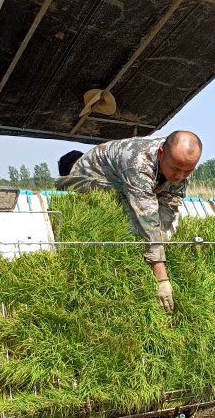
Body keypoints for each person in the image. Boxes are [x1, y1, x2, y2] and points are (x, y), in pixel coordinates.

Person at [55, 131, 202, 312]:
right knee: (128, 216)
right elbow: (147, 219)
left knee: (152, 234)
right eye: (175, 169)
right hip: (85, 179)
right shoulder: (138, 162)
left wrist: (161, 241)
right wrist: (162, 279)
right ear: (162, 154)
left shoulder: (180, 164)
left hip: (125, 181)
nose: (180, 176)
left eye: (188, 171)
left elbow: (169, 204)